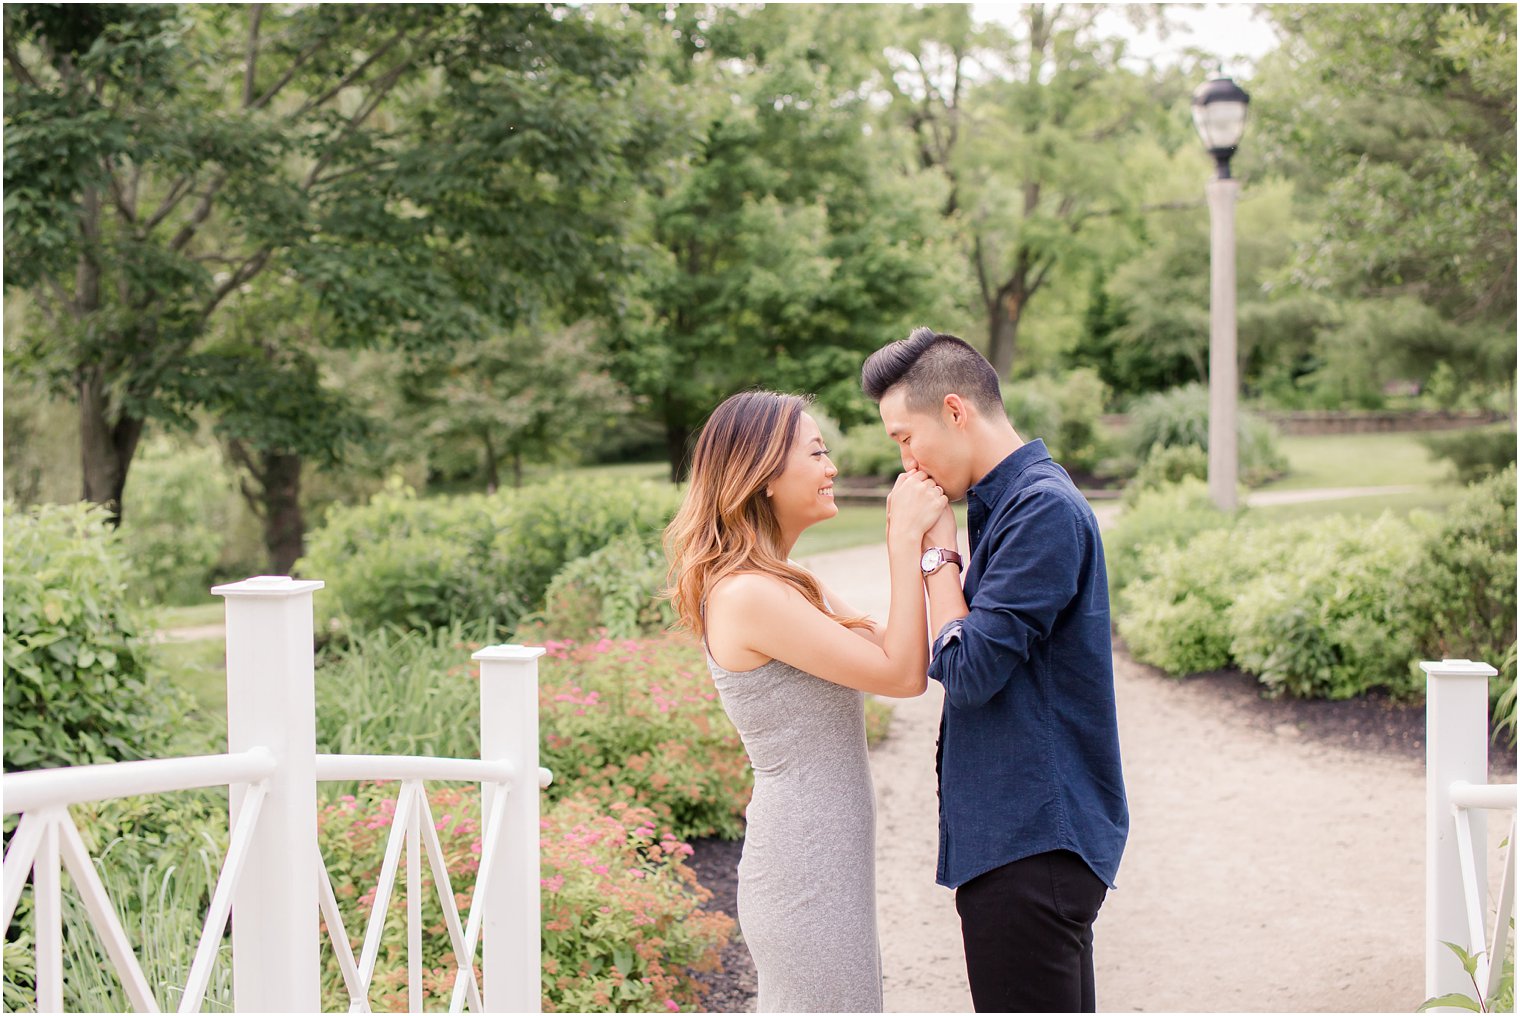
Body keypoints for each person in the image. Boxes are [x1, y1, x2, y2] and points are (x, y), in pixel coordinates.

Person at [861, 328, 1129, 1014]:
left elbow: (972, 669)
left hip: (1030, 847)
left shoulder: (1040, 509)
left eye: (904, 437)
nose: (905, 461)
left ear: (955, 411)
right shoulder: (1015, 504)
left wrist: (937, 557)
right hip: (1020, 844)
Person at [663, 389, 945, 1013]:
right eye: (816, 453)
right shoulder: (747, 595)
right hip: (801, 866)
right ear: (763, 475)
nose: (832, 468)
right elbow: (902, 676)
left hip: (826, 857)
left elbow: (903, 653)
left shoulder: (792, 583)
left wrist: (935, 551)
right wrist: (902, 541)